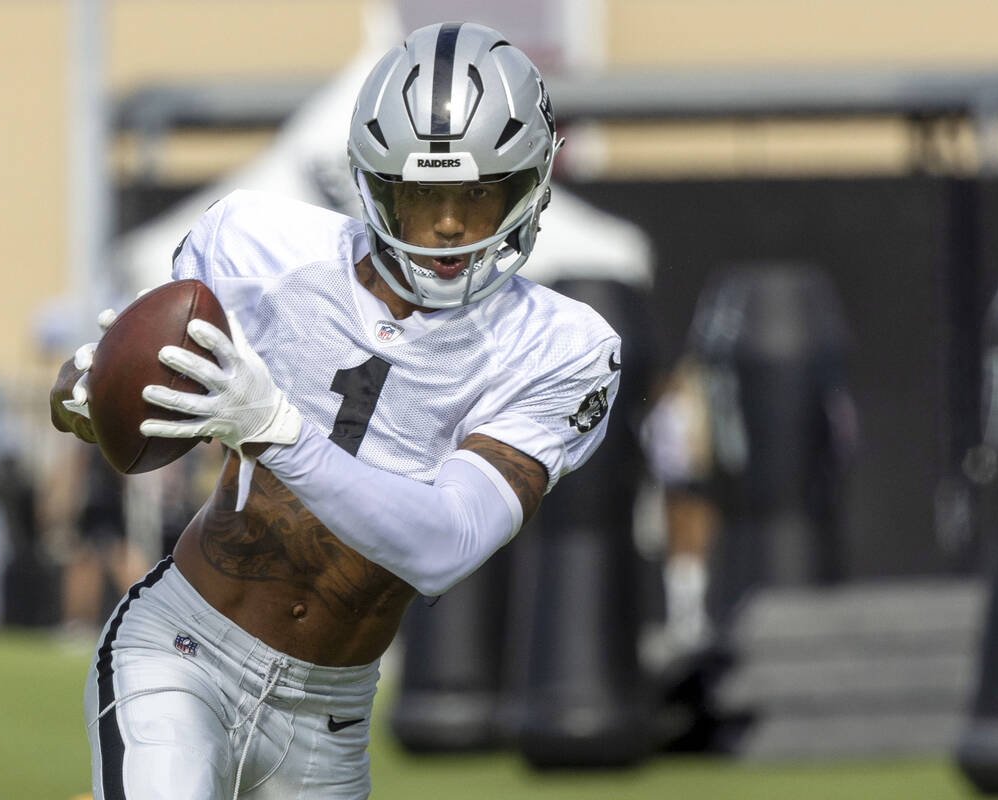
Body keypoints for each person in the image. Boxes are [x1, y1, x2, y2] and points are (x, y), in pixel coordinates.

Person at [50, 22, 622, 800]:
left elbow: (446, 542)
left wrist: (280, 431)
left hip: (329, 723)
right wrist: (92, 390)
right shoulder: (261, 243)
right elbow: (112, 370)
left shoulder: (563, 344)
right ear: (374, 183)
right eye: (422, 196)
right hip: (183, 649)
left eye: (478, 194)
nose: (449, 225)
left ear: (529, 185)